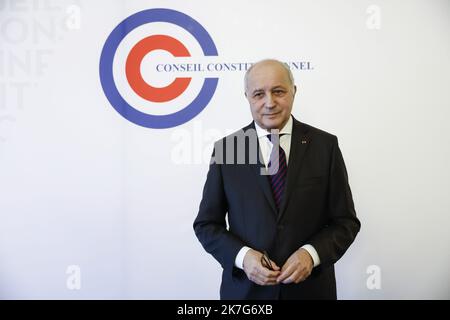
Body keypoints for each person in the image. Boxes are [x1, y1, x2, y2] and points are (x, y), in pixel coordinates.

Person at [193, 59, 360, 300]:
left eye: (278, 91)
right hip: (246, 295)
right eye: (259, 94)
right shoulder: (227, 150)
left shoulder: (325, 146)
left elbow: (345, 222)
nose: (269, 102)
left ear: (294, 91)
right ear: (247, 97)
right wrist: (243, 257)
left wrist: (311, 254)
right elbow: (207, 225)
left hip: (311, 292)